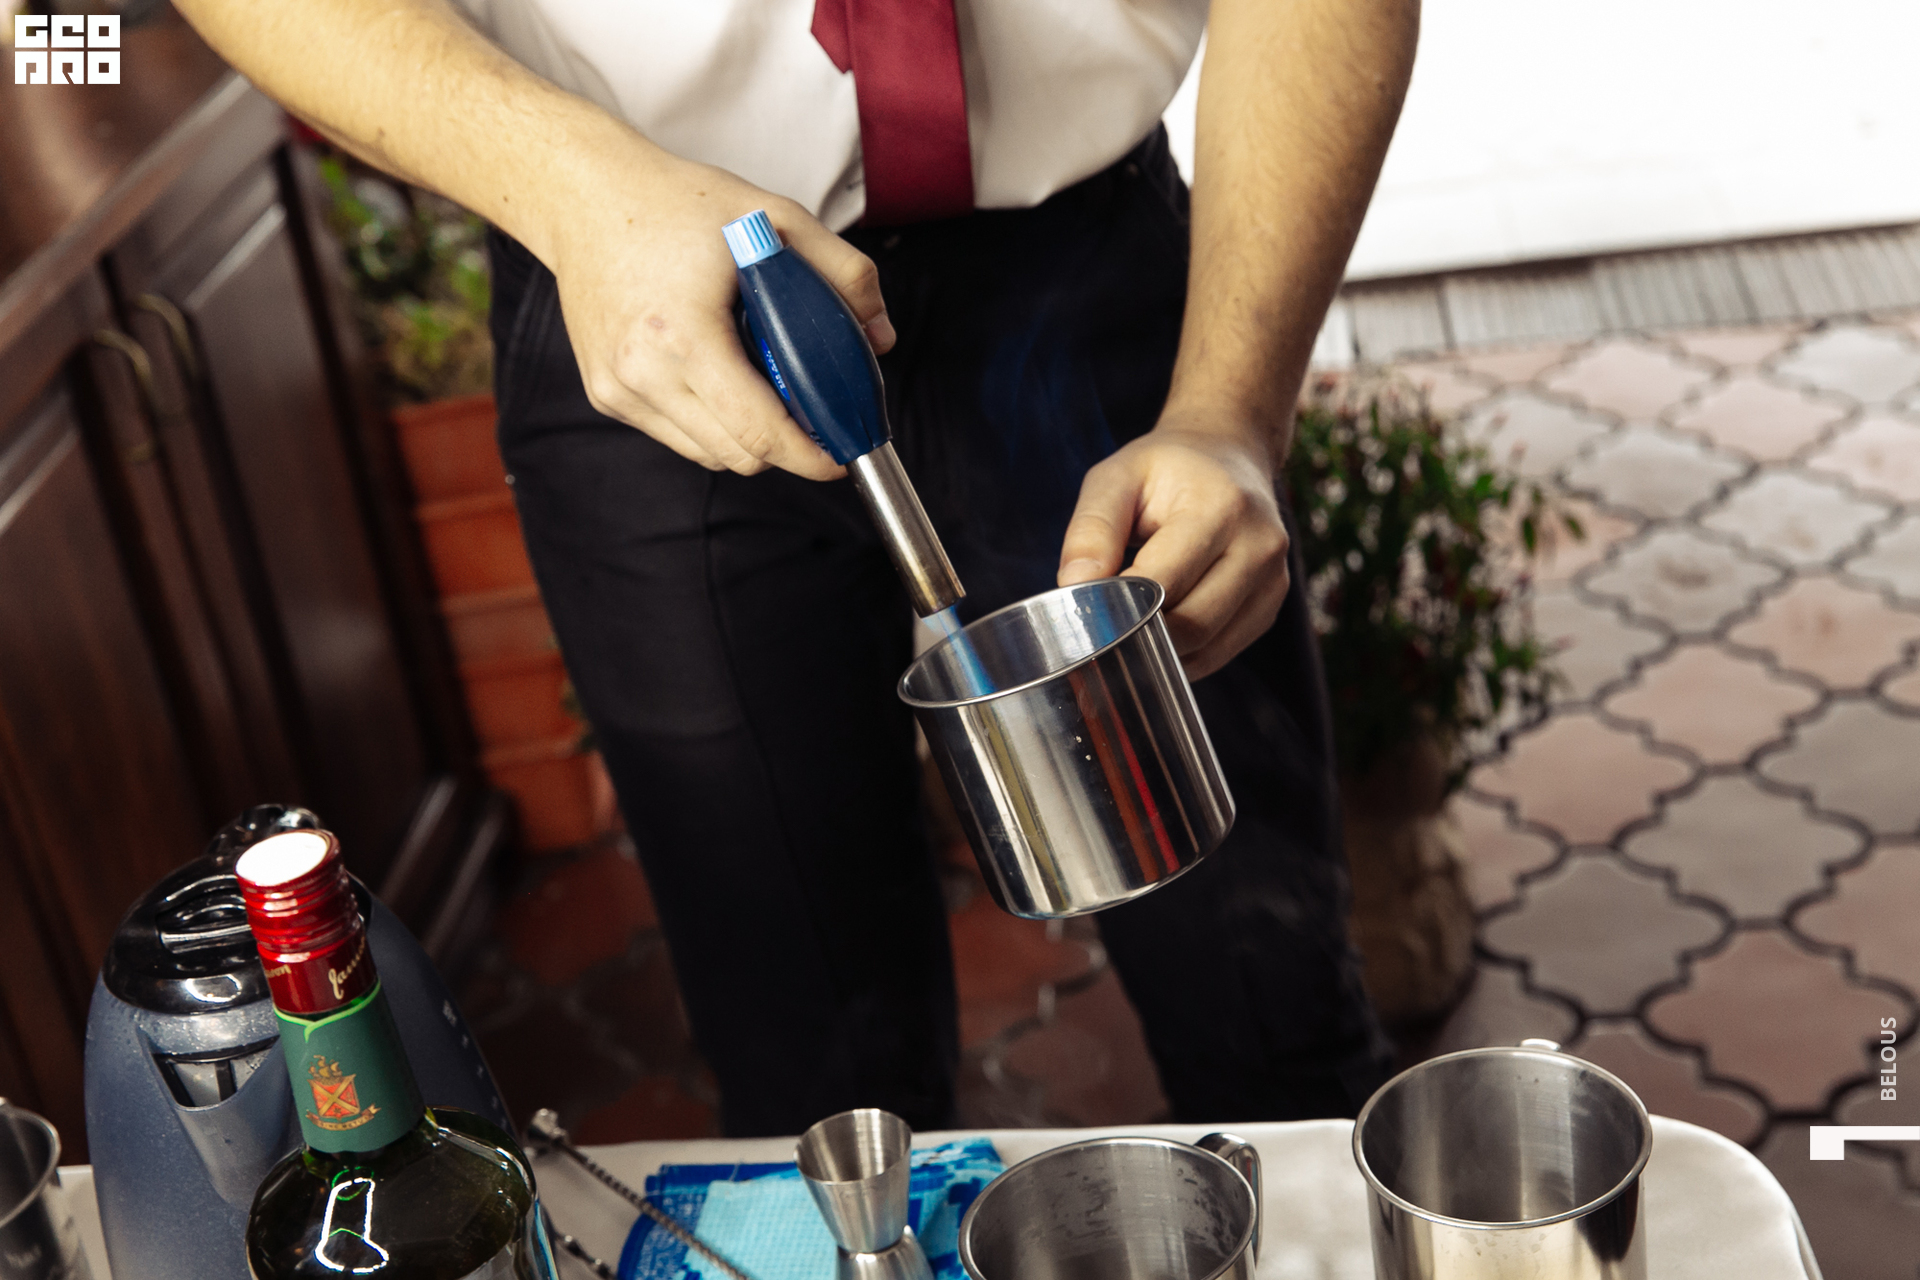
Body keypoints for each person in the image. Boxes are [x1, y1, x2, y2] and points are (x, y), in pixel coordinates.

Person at [174, 0, 1418, 1136]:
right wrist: (570, 186)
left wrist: (1229, 412)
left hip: (1085, 275)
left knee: (1272, 1001)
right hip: (641, 285)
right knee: (816, 1084)